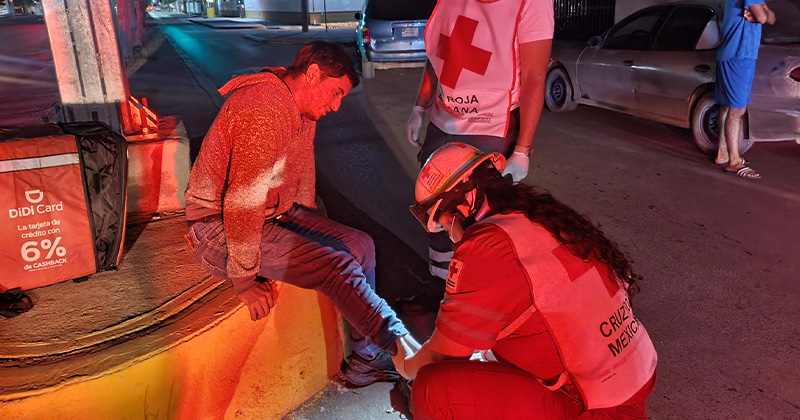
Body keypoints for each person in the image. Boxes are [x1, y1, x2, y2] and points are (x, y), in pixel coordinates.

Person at [184, 41, 415, 386]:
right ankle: (405, 351)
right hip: (217, 227)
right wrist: (244, 282)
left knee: (361, 245)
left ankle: (366, 358)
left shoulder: (299, 106)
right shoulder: (263, 107)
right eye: (335, 93)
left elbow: (303, 169)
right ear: (313, 74)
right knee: (335, 267)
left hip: (272, 213)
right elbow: (243, 199)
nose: (336, 106)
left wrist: (310, 226)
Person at [394, 142, 658, 419]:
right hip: (630, 379)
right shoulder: (537, 217)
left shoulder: (486, 245)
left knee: (433, 391)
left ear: (461, 206)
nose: (449, 234)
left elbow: (441, 356)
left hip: (595, 406)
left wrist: (406, 366)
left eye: (445, 224)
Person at [404, 0, 554, 282]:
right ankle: (441, 283)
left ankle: (477, 292)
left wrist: (522, 150)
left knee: (478, 220)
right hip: (443, 121)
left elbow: (535, 76)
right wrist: (419, 107)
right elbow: (439, 55)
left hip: (490, 127)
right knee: (435, 211)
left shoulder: (530, 3)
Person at [714, 0, 776, 179]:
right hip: (739, 56)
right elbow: (764, 18)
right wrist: (761, 14)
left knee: (727, 106)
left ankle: (722, 153)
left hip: (732, 54)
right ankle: (734, 162)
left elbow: (771, 18)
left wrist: (762, 12)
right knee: (737, 109)